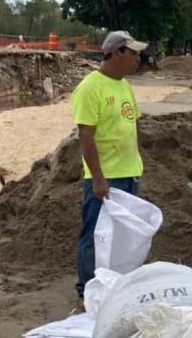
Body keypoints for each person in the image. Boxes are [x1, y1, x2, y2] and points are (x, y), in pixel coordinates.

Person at [72, 31, 146, 296]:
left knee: (123, 236)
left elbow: (134, 122)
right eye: (134, 53)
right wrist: (99, 177)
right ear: (117, 53)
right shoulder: (91, 87)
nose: (138, 58)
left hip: (130, 173)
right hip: (107, 177)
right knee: (96, 235)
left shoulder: (124, 85)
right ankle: (88, 289)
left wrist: (137, 156)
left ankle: (115, 286)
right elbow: (86, 136)